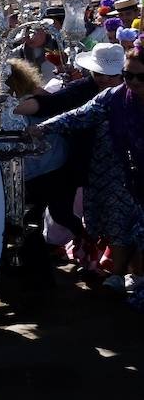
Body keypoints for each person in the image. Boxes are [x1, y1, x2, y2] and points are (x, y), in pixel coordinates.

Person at [33, 41, 144, 302]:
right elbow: (78, 115)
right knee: (118, 222)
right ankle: (121, 275)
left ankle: (137, 276)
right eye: (128, 75)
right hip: (117, 173)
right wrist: (43, 128)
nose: (133, 82)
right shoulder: (113, 97)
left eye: (141, 76)